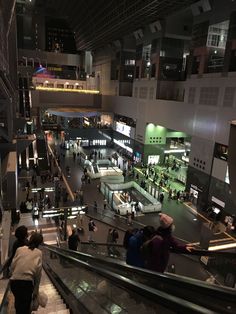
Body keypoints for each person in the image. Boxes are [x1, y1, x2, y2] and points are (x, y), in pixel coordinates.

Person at [10, 232, 43, 314]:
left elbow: (13, 265)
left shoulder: (19, 249)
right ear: (40, 243)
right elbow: (38, 274)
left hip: (14, 282)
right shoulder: (39, 253)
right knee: (25, 308)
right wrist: (36, 290)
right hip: (26, 284)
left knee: (18, 305)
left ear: (30, 239)